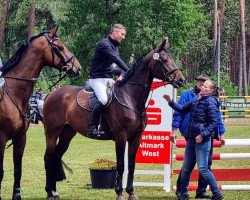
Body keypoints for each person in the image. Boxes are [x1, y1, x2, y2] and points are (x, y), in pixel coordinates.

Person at [164, 79, 223, 200]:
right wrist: (170, 102)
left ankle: (217, 193)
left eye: (205, 86)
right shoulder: (197, 99)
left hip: (203, 140)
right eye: (202, 86)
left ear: (211, 91)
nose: (202, 87)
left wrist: (203, 135)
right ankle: (183, 194)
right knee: (186, 169)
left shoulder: (211, 102)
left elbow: (213, 122)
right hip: (191, 139)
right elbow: (183, 108)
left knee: (203, 168)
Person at [87, 23, 129, 137]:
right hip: (97, 79)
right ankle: (91, 127)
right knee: (104, 100)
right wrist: (130, 71)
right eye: (122, 34)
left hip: (108, 79)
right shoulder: (104, 44)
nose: (123, 37)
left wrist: (123, 73)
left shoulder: (114, 47)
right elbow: (117, 59)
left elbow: (118, 65)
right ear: (115, 32)